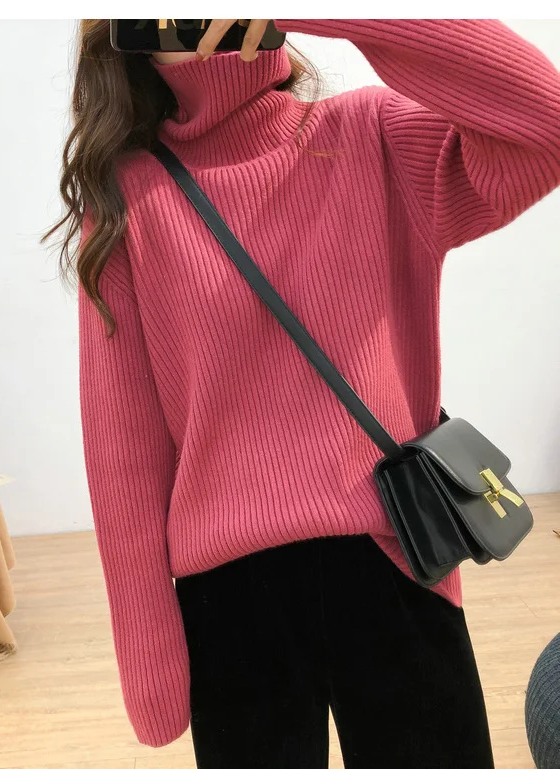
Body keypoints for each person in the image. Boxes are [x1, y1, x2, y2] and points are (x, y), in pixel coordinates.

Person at [46, 18, 560, 769]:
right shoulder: (130, 199)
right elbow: (124, 445)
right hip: (232, 600)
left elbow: (544, 120)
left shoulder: (373, 135)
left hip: (394, 556)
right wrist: (146, 638)